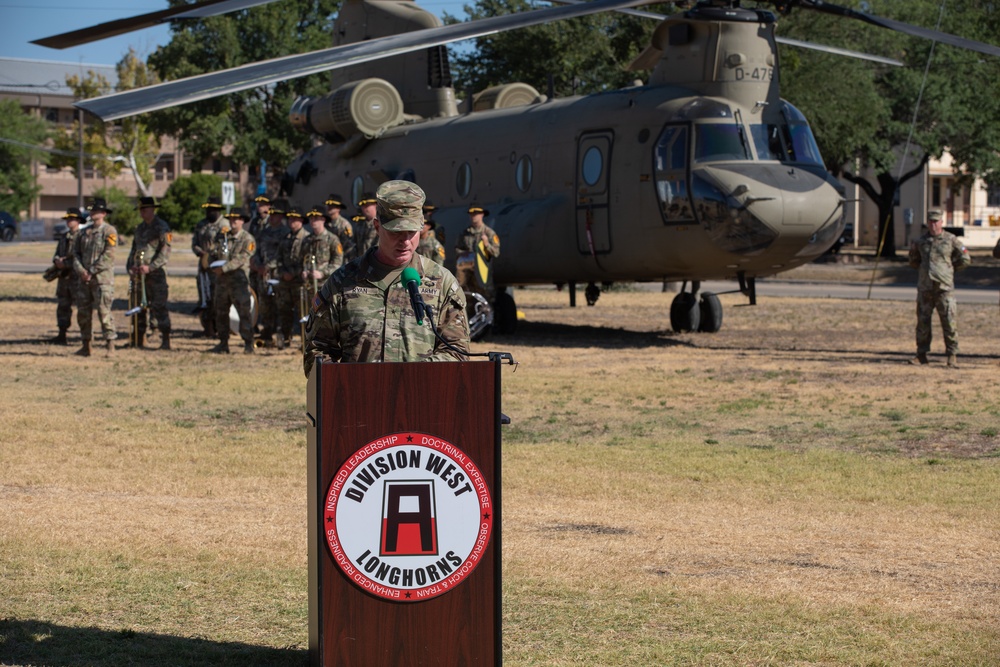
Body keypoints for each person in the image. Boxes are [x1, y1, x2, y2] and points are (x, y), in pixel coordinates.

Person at [303, 180, 471, 376]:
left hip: (421, 399)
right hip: (358, 401)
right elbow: (317, 352)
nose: (405, 241)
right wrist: (345, 386)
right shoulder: (343, 282)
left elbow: (457, 353)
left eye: (412, 232)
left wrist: (410, 375)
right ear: (377, 226)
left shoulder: (442, 283)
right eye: (396, 232)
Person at [907, 209, 971, 367]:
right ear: (928, 223)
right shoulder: (920, 242)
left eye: (936, 221)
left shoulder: (951, 240)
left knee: (949, 322)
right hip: (925, 289)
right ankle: (921, 355)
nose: (933, 225)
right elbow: (913, 261)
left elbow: (965, 259)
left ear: (942, 222)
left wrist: (949, 270)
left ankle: (952, 355)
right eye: (931, 221)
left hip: (944, 289)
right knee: (922, 322)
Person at [72, 197, 118, 357]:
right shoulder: (84, 232)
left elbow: (108, 255)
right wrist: (81, 271)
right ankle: (86, 345)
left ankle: (110, 346)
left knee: (104, 313)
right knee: (83, 314)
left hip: (101, 280)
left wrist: (91, 271)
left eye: (96, 210)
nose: (92, 213)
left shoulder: (109, 231)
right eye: (91, 210)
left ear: (104, 213)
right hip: (84, 280)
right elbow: (75, 254)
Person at [126, 196, 172, 349]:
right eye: (141, 210)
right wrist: (131, 267)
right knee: (139, 307)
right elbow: (134, 250)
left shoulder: (162, 227)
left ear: (152, 209)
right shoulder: (139, 229)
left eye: (145, 209)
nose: (142, 213)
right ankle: (139, 339)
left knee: (159, 307)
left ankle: (165, 340)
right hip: (139, 276)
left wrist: (151, 267)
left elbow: (165, 252)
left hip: (156, 275)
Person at [210, 208, 257, 354]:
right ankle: (223, 343)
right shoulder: (222, 236)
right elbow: (213, 252)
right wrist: (213, 265)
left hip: (239, 283)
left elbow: (242, 259)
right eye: (231, 219)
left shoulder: (247, 239)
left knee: (244, 313)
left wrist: (224, 268)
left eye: (236, 219)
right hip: (222, 283)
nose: (233, 222)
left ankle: (248, 343)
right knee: (221, 313)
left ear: (242, 221)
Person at [251, 201, 287, 346]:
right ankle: (266, 331)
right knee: (265, 303)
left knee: (279, 304)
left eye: (276, 215)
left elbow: (283, 255)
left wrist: (269, 266)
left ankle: (280, 333)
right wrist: (258, 265)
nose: (272, 218)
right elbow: (258, 250)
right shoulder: (264, 232)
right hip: (263, 275)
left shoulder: (285, 233)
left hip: (277, 274)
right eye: (271, 215)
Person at [275, 207, 310, 350]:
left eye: (294, 219)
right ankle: (286, 338)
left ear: (301, 221)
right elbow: (278, 259)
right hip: (285, 282)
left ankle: (305, 342)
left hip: (299, 283)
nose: (291, 222)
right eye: (290, 219)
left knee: (303, 313)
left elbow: (307, 262)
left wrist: (294, 273)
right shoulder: (286, 238)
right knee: (284, 311)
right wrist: (283, 273)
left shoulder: (306, 238)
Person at [47, 207, 83, 345]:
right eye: (68, 219)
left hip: (76, 278)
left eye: (72, 219)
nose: (69, 221)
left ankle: (84, 335)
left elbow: (81, 257)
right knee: (63, 305)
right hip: (64, 278)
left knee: (81, 307)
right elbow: (57, 252)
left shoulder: (82, 237)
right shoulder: (64, 237)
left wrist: (66, 263)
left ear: (78, 221)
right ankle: (62, 334)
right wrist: (57, 260)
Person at [192, 196, 225, 337]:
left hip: (217, 267)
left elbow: (224, 247)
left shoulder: (224, 225)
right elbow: (194, 243)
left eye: (212, 209)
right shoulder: (201, 224)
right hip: (203, 268)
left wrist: (212, 254)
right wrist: (200, 252)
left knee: (218, 298)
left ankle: (221, 328)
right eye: (208, 209)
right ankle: (208, 328)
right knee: (205, 297)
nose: (209, 212)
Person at [454, 204, 500, 299]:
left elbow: (496, 252)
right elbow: (457, 249)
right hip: (467, 271)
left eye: (476, 213)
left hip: (482, 271)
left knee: (486, 297)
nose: (473, 216)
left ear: (482, 215)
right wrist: (464, 254)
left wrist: (487, 244)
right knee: (467, 296)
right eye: (471, 214)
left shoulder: (489, 233)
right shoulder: (465, 233)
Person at [301, 205, 344, 297]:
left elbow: (337, 263)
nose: (313, 221)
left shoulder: (332, 239)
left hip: (326, 285)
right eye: (311, 218)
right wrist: (304, 271)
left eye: (316, 218)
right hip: (310, 285)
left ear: (323, 220)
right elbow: (303, 259)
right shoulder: (307, 240)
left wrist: (322, 273)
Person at [325, 194, 356, 260]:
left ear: (338, 208)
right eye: (328, 205)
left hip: (341, 259)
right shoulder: (326, 223)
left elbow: (349, 246)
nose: (329, 207)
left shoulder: (344, 224)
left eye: (333, 206)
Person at [353, 192, 380, 257]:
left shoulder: (381, 225)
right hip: (361, 262)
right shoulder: (359, 225)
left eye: (367, 205)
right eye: (362, 205)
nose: (364, 208)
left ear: (375, 205)